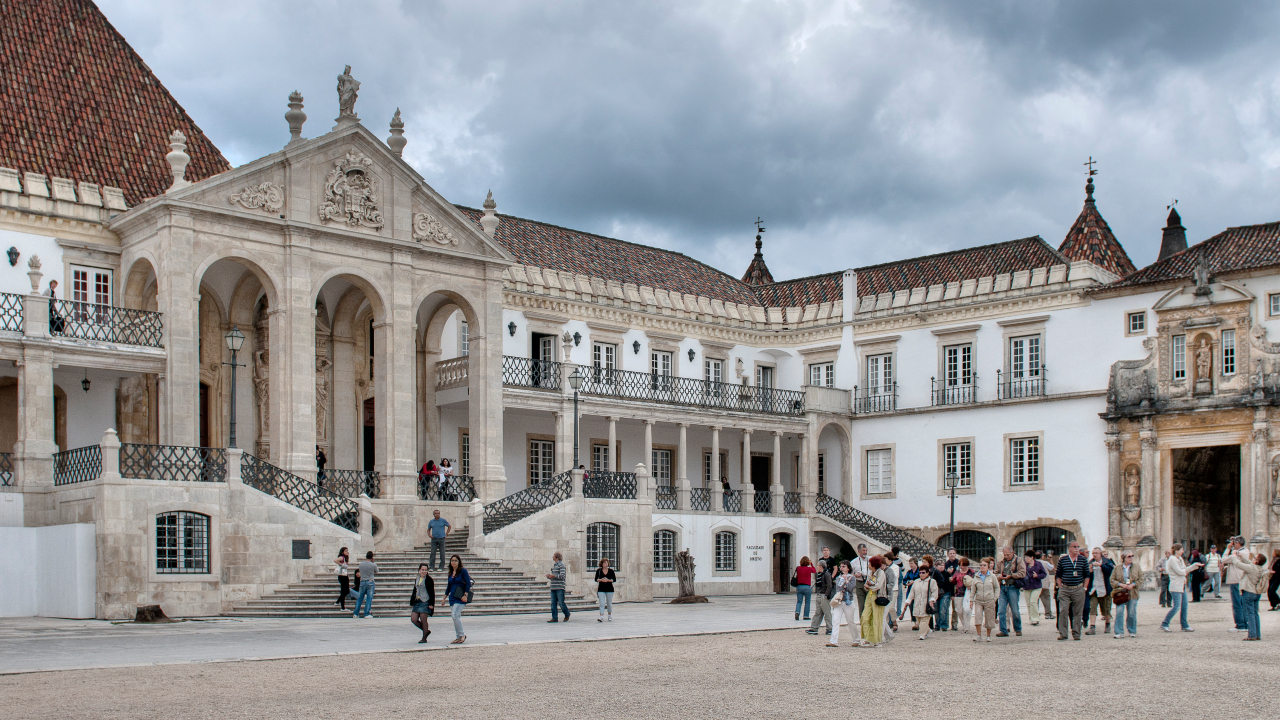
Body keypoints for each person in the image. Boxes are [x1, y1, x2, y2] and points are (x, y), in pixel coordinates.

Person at [1233, 552, 1273, 641]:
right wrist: (1242, 557)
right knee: (1255, 613)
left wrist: (1234, 556)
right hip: (1256, 593)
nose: (1253, 558)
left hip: (1248, 592)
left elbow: (1238, 564)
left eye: (1254, 557)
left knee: (1249, 614)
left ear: (1257, 560)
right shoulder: (1260, 568)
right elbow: (1250, 563)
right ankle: (1257, 634)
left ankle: (1252, 635)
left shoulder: (1251, 568)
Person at [1161, 543, 1200, 633]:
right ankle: (1165, 623)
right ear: (1177, 550)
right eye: (1182, 549)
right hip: (1175, 586)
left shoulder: (1180, 559)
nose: (1183, 551)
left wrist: (1190, 568)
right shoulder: (1172, 560)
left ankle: (1184, 625)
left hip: (1181, 585)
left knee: (1184, 606)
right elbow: (1181, 572)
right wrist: (1193, 567)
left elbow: (1184, 570)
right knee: (1177, 606)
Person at [1056, 540, 1090, 640]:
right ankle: (1063, 633)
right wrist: (1060, 586)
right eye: (1074, 547)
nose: (1076, 548)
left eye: (1077, 546)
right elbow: (1058, 574)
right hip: (1065, 588)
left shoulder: (1083, 560)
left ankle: (1076, 633)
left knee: (1078, 612)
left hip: (1078, 588)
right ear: (1069, 548)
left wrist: (1084, 588)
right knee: (1063, 611)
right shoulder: (1063, 560)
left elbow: (1087, 575)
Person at [965, 557, 999, 642]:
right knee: (978, 617)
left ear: (988, 566)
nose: (982, 567)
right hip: (979, 600)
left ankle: (988, 636)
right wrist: (971, 600)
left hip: (989, 600)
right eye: (981, 565)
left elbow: (997, 588)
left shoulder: (992, 576)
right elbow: (973, 589)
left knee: (989, 618)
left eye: (984, 565)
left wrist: (994, 598)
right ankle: (979, 635)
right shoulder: (976, 576)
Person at [1110, 551, 1143, 639]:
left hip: (1132, 592)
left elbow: (1141, 578)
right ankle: (1119, 631)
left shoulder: (1137, 566)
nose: (1131, 558)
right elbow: (1112, 580)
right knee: (1119, 611)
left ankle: (1132, 630)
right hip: (1120, 592)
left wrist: (1134, 584)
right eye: (1129, 556)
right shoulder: (1117, 568)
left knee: (1132, 612)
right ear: (1124, 558)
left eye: (1132, 556)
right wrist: (1121, 584)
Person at [994, 546, 1025, 637]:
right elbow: (995, 573)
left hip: (1013, 587)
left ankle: (1018, 628)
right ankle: (1003, 630)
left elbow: (1022, 573)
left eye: (1007, 554)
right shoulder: (1000, 562)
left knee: (1014, 610)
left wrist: (1011, 576)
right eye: (1005, 555)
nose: (1006, 556)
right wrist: (999, 576)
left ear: (1012, 552)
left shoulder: (1019, 561)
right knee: (1001, 610)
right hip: (1003, 587)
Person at [826, 561, 858, 647]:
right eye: (841, 567)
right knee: (835, 620)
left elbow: (851, 589)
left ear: (848, 568)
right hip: (839, 601)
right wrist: (842, 580)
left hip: (848, 601)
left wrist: (846, 580)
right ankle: (833, 641)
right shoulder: (838, 578)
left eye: (843, 567)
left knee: (850, 621)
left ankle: (856, 639)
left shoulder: (852, 578)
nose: (841, 568)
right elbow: (838, 589)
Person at [1085, 547, 1115, 635]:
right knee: (1092, 608)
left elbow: (1110, 571)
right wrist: (1090, 571)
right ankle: (1092, 627)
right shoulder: (1090, 562)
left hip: (1104, 589)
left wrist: (1101, 565)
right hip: (1094, 589)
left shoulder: (1107, 561)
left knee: (1106, 609)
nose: (1094, 555)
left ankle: (1108, 624)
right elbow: (1087, 575)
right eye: (1093, 553)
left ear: (1100, 554)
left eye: (1096, 553)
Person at [858, 556, 888, 646]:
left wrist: (870, 586)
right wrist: (868, 586)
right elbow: (866, 583)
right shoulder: (870, 573)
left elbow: (878, 586)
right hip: (869, 596)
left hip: (877, 597)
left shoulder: (881, 573)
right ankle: (867, 638)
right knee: (865, 617)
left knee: (876, 619)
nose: (868, 565)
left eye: (870, 564)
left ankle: (877, 640)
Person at [906, 561, 939, 640]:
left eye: (923, 573)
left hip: (926, 604)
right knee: (919, 620)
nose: (921, 574)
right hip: (917, 604)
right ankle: (928, 630)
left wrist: (932, 600)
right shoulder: (916, 582)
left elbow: (935, 592)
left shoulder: (932, 582)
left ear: (927, 573)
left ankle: (921, 634)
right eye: (920, 572)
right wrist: (908, 601)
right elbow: (912, 593)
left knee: (925, 619)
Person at [1224, 536, 1250, 632]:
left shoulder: (1237, 554)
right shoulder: (1246, 551)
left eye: (1234, 543)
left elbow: (1224, 559)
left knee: (1236, 603)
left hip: (1235, 580)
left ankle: (1240, 625)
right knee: (1243, 603)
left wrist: (1228, 548)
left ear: (1238, 543)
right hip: (1242, 579)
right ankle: (1245, 623)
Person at [446, 554, 471, 643]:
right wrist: (444, 596)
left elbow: (468, 583)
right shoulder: (450, 572)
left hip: (460, 597)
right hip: (452, 597)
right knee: (455, 617)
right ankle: (458, 637)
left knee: (455, 615)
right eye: (452, 560)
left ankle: (462, 635)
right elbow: (449, 585)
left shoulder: (463, 571)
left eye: (455, 560)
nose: (454, 562)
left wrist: (465, 595)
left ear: (459, 562)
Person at [807, 559, 836, 636]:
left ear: (820, 566)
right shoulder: (819, 574)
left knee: (827, 612)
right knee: (818, 612)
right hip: (819, 594)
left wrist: (826, 594)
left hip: (824, 595)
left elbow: (830, 585)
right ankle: (814, 628)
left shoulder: (826, 574)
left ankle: (829, 628)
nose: (816, 567)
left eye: (817, 565)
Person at [409, 563, 435, 643]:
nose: (424, 571)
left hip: (425, 601)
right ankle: (426, 631)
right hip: (417, 600)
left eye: (425, 570)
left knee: (423, 620)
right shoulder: (417, 579)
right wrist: (412, 600)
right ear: (419, 570)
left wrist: (431, 604)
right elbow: (415, 590)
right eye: (422, 570)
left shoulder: (429, 580)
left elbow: (432, 592)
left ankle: (424, 637)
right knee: (413, 619)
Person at [1020, 550, 1046, 626]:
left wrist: (1037, 576)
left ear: (1032, 557)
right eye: (1025, 557)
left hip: (1036, 586)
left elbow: (1044, 574)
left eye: (1027, 557)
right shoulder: (1023, 565)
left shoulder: (1038, 564)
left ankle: (1036, 618)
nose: (1026, 559)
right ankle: (1031, 618)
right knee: (1028, 603)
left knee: (1033, 602)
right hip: (1027, 586)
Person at [935, 548, 957, 632]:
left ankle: (944, 625)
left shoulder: (947, 574)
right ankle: (937, 624)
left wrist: (952, 594)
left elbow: (951, 584)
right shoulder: (934, 574)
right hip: (936, 593)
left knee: (943, 609)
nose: (941, 567)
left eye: (942, 565)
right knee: (936, 610)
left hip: (945, 593)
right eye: (939, 565)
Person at [546, 551, 570, 622]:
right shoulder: (554, 565)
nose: (552, 557)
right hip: (553, 587)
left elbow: (563, 576)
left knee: (561, 603)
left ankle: (567, 614)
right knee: (553, 603)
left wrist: (554, 575)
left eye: (553, 555)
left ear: (557, 557)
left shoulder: (561, 565)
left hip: (559, 587)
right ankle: (554, 618)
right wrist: (549, 576)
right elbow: (555, 575)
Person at [953, 557, 974, 633]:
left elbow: (974, 581)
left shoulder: (971, 572)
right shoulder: (957, 572)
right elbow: (953, 582)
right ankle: (964, 624)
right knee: (959, 610)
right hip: (958, 593)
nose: (962, 567)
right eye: (961, 565)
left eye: (964, 565)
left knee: (967, 610)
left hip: (967, 593)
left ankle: (966, 627)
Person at [354, 551, 377, 619]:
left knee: (360, 598)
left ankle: (356, 613)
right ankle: (366, 613)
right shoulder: (373, 565)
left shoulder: (361, 564)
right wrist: (373, 562)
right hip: (370, 581)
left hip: (362, 581)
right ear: (372, 557)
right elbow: (377, 571)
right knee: (369, 598)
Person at [850, 543, 871, 617]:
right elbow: (850, 574)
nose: (865, 552)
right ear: (859, 551)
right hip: (860, 582)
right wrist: (855, 575)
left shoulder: (870, 559)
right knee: (861, 604)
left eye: (866, 550)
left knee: (869, 604)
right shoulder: (854, 562)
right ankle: (862, 622)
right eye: (863, 550)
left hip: (869, 583)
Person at [595, 557, 616, 622]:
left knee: (609, 603)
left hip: (609, 589)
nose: (605, 564)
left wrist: (608, 580)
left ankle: (609, 615)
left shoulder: (611, 571)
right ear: (602, 564)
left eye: (606, 563)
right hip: (601, 589)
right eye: (604, 563)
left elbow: (614, 580)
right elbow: (596, 579)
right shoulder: (599, 571)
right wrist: (601, 580)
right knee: (602, 603)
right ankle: (601, 616)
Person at [794, 556, 815, 621]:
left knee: (799, 601)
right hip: (807, 586)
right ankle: (806, 616)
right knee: (807, 602)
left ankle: (797, 611)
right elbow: (814, 570)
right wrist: (811, 564)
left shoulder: (798, 568)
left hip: (799, 586)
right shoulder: (809, 569)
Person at [1039, 550, 1056, 620]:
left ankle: (1035, 614)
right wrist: (1050, 560)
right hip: (1044, 583)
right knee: (1046, 598)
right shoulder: (1045, 563)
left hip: (1035, 584)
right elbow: (1053, 568)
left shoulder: (1032, 562)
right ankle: (1048, 613)